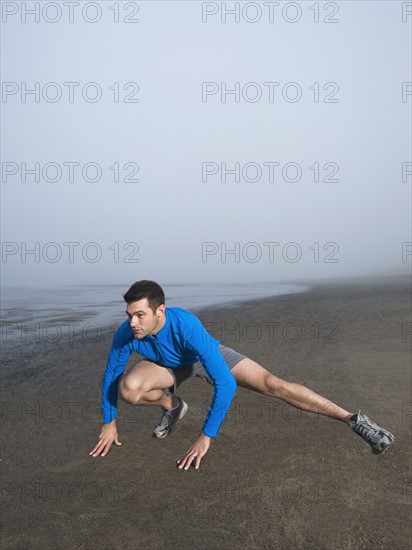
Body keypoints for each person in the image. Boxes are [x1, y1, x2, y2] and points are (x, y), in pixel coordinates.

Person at [89, 280, 395, 470]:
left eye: (140, 314)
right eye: (129, 315)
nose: (132, 322)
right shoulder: (126, 333)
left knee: (274, 385)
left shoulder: (186, 326)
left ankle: (354, 420)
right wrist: (109, 423)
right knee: (128, 388)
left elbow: (224, 384)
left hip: (202, 357)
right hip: (166, 367)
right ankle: (173, 407)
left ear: (160, 311)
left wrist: (205, 436)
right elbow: (111, 376)